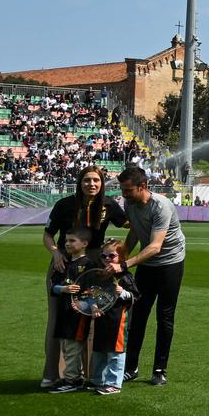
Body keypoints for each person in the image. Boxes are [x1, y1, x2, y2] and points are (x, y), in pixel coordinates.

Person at [41, 165, 127, 389]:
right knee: (57, 320)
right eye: (87, 180)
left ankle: (88, 376)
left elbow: (130, 223)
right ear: (80, 183)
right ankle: (51, 374)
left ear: (102, 183)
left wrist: (124, 253)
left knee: (91, 319)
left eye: (96, 180)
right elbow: (48, 235)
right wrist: (56, 252)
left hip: (94, 270)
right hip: (64, 266)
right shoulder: (65, 205)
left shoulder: (109, 204)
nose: (92, 184)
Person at [111, 166, 186, 387]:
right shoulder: (131, 204)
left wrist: (125, 264)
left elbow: (155, 246)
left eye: (128, 190)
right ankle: (131, 368)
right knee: (138, 316)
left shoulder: (161, 206)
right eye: (123, 190)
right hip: (147, 265)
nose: (124, 195)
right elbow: (134, 231)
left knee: (164, 317)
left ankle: (159, 370)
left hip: (170, 264)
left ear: (142, 186)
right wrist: (121, 255)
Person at [47, 228, 95, 394]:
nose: (67, 244)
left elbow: (93, 290)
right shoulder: (63, 263)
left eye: (72, 240)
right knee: (66, 347)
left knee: (74, 347)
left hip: (78, 316)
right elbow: (53, 287)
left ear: (84, 244)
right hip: (64, 313)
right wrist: (63, 289)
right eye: (66, 241)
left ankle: (72, 380)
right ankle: (74, 377)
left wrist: (87, 304)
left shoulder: (88, 265)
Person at [91, 239, 140, 395]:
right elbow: (93, 293)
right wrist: (93, 305)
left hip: (118, 321)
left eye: (111, 256)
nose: (106, 259)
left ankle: (114, 383)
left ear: (122, 258)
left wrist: (123, 292)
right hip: (102, 320)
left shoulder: (125, 276)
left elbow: (136, 296)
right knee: (99, 350)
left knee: (116, 352)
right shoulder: (100, 274)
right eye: (103, 256)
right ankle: (97, 380)